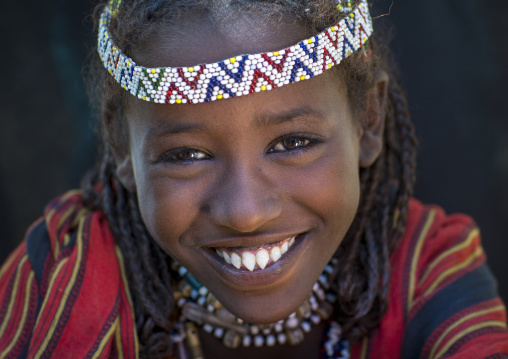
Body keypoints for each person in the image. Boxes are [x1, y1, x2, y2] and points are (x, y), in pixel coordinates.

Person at [0, 0, 507, 358]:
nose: (245, 212)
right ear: (121, 150)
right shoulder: (62, 282)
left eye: (292, 143)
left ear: (367, 121)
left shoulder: (427, 270)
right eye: (186, 154)